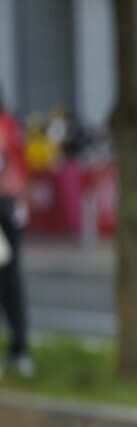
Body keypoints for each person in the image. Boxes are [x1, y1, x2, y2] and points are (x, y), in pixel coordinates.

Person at [0, 89, 34, 378]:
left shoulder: (4, 127)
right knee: (10, 278)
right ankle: (18, 348)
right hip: (10, 209)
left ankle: (18, 348)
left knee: (7, 278)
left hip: (3, 210)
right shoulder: (10, 124)